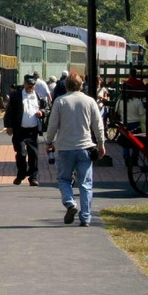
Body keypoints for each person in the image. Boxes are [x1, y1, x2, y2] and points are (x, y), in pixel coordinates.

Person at [45, 73, 106, 227]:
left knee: (64, 179)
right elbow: (98, 124)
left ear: (66, 86)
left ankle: (70, 202)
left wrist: (49, 141)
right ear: (81, 85)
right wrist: (101, 143)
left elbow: (53, 125)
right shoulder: (89, 101)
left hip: (65, 148)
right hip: (85, 147)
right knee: (85, 183)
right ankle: (85, 217)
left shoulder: (60, 101)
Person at [4, 74, 44, 186]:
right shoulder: (16, 96)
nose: (30, 86)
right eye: (28, 84)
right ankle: (21, 174)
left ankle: (33, 177)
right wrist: (8, 126)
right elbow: (9, 111)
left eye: (32, 84)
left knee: (33, 154)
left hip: (33, 130)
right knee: (21, 153)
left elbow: (45, 108)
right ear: (24, 84)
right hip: (19, 130)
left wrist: (42, 112)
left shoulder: (38, 96)